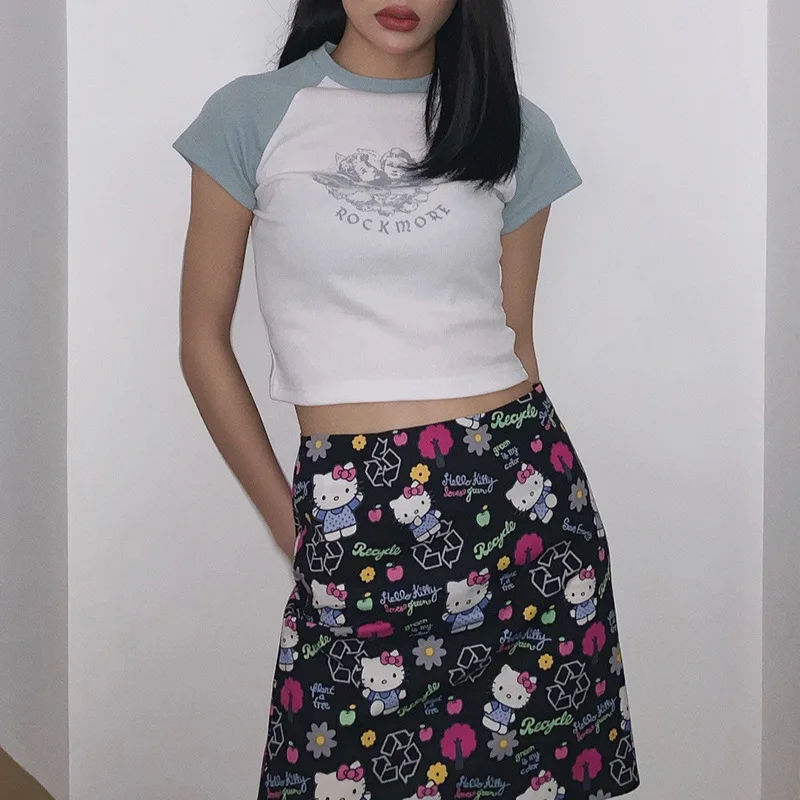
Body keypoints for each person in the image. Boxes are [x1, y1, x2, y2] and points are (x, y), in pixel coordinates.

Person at [171, 2, 641, 799]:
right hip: (355, 505)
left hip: (524, 509)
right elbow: (202, 343)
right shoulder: (252, 115)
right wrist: (292, 524)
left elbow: (516, 340)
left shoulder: (510, 127)